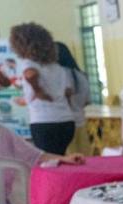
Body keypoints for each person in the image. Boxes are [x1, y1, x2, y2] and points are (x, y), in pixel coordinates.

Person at [9, 23, 76, 155]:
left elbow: (30, 74)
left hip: (45, 122)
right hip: (66, 121)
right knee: (60, 158)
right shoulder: (57, 67)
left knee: (49, 162)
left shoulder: (28, 63)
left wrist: (38, 90)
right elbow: (68, 92)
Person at [55, 42, 91, 153]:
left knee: (69, 157)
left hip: (66, 123)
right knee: (84, 156)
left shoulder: (60, 74)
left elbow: (66, 98)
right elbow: (87, 102)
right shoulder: (81, 75)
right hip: (81, 121)